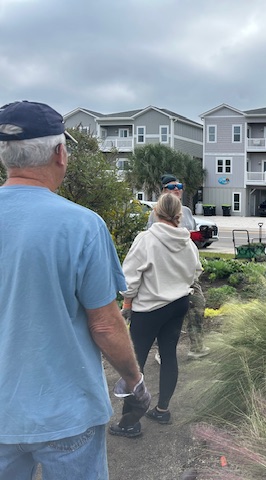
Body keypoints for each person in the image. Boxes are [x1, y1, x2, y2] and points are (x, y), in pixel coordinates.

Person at [0, 101, 148, 475]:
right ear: (60, 153)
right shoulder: (82, 225)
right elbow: (105, 325)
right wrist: (134, 380)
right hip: (67, 411)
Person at [120, 193, 203, 430]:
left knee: (135, 363)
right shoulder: (187, 242)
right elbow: (196, 271)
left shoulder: (146, 239)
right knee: (169, 355)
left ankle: (129, 423)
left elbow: (130, 279)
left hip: (149, 308)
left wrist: (127, 303)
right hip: (178, 304)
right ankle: (162, 410)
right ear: (179, 215)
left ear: (155, 212)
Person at [148, 174, 210, 360]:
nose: (177, 189)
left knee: (197, 304)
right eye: (171, 186)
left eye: (179, 186)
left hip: (187, 271)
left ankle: (197, 347)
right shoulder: (155, 213)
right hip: (166, 271)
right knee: (166, 312)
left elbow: (189, 239)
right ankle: (163, 351)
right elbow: (154, 240)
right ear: (163, 190)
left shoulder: (187, 212)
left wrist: (197, 238)